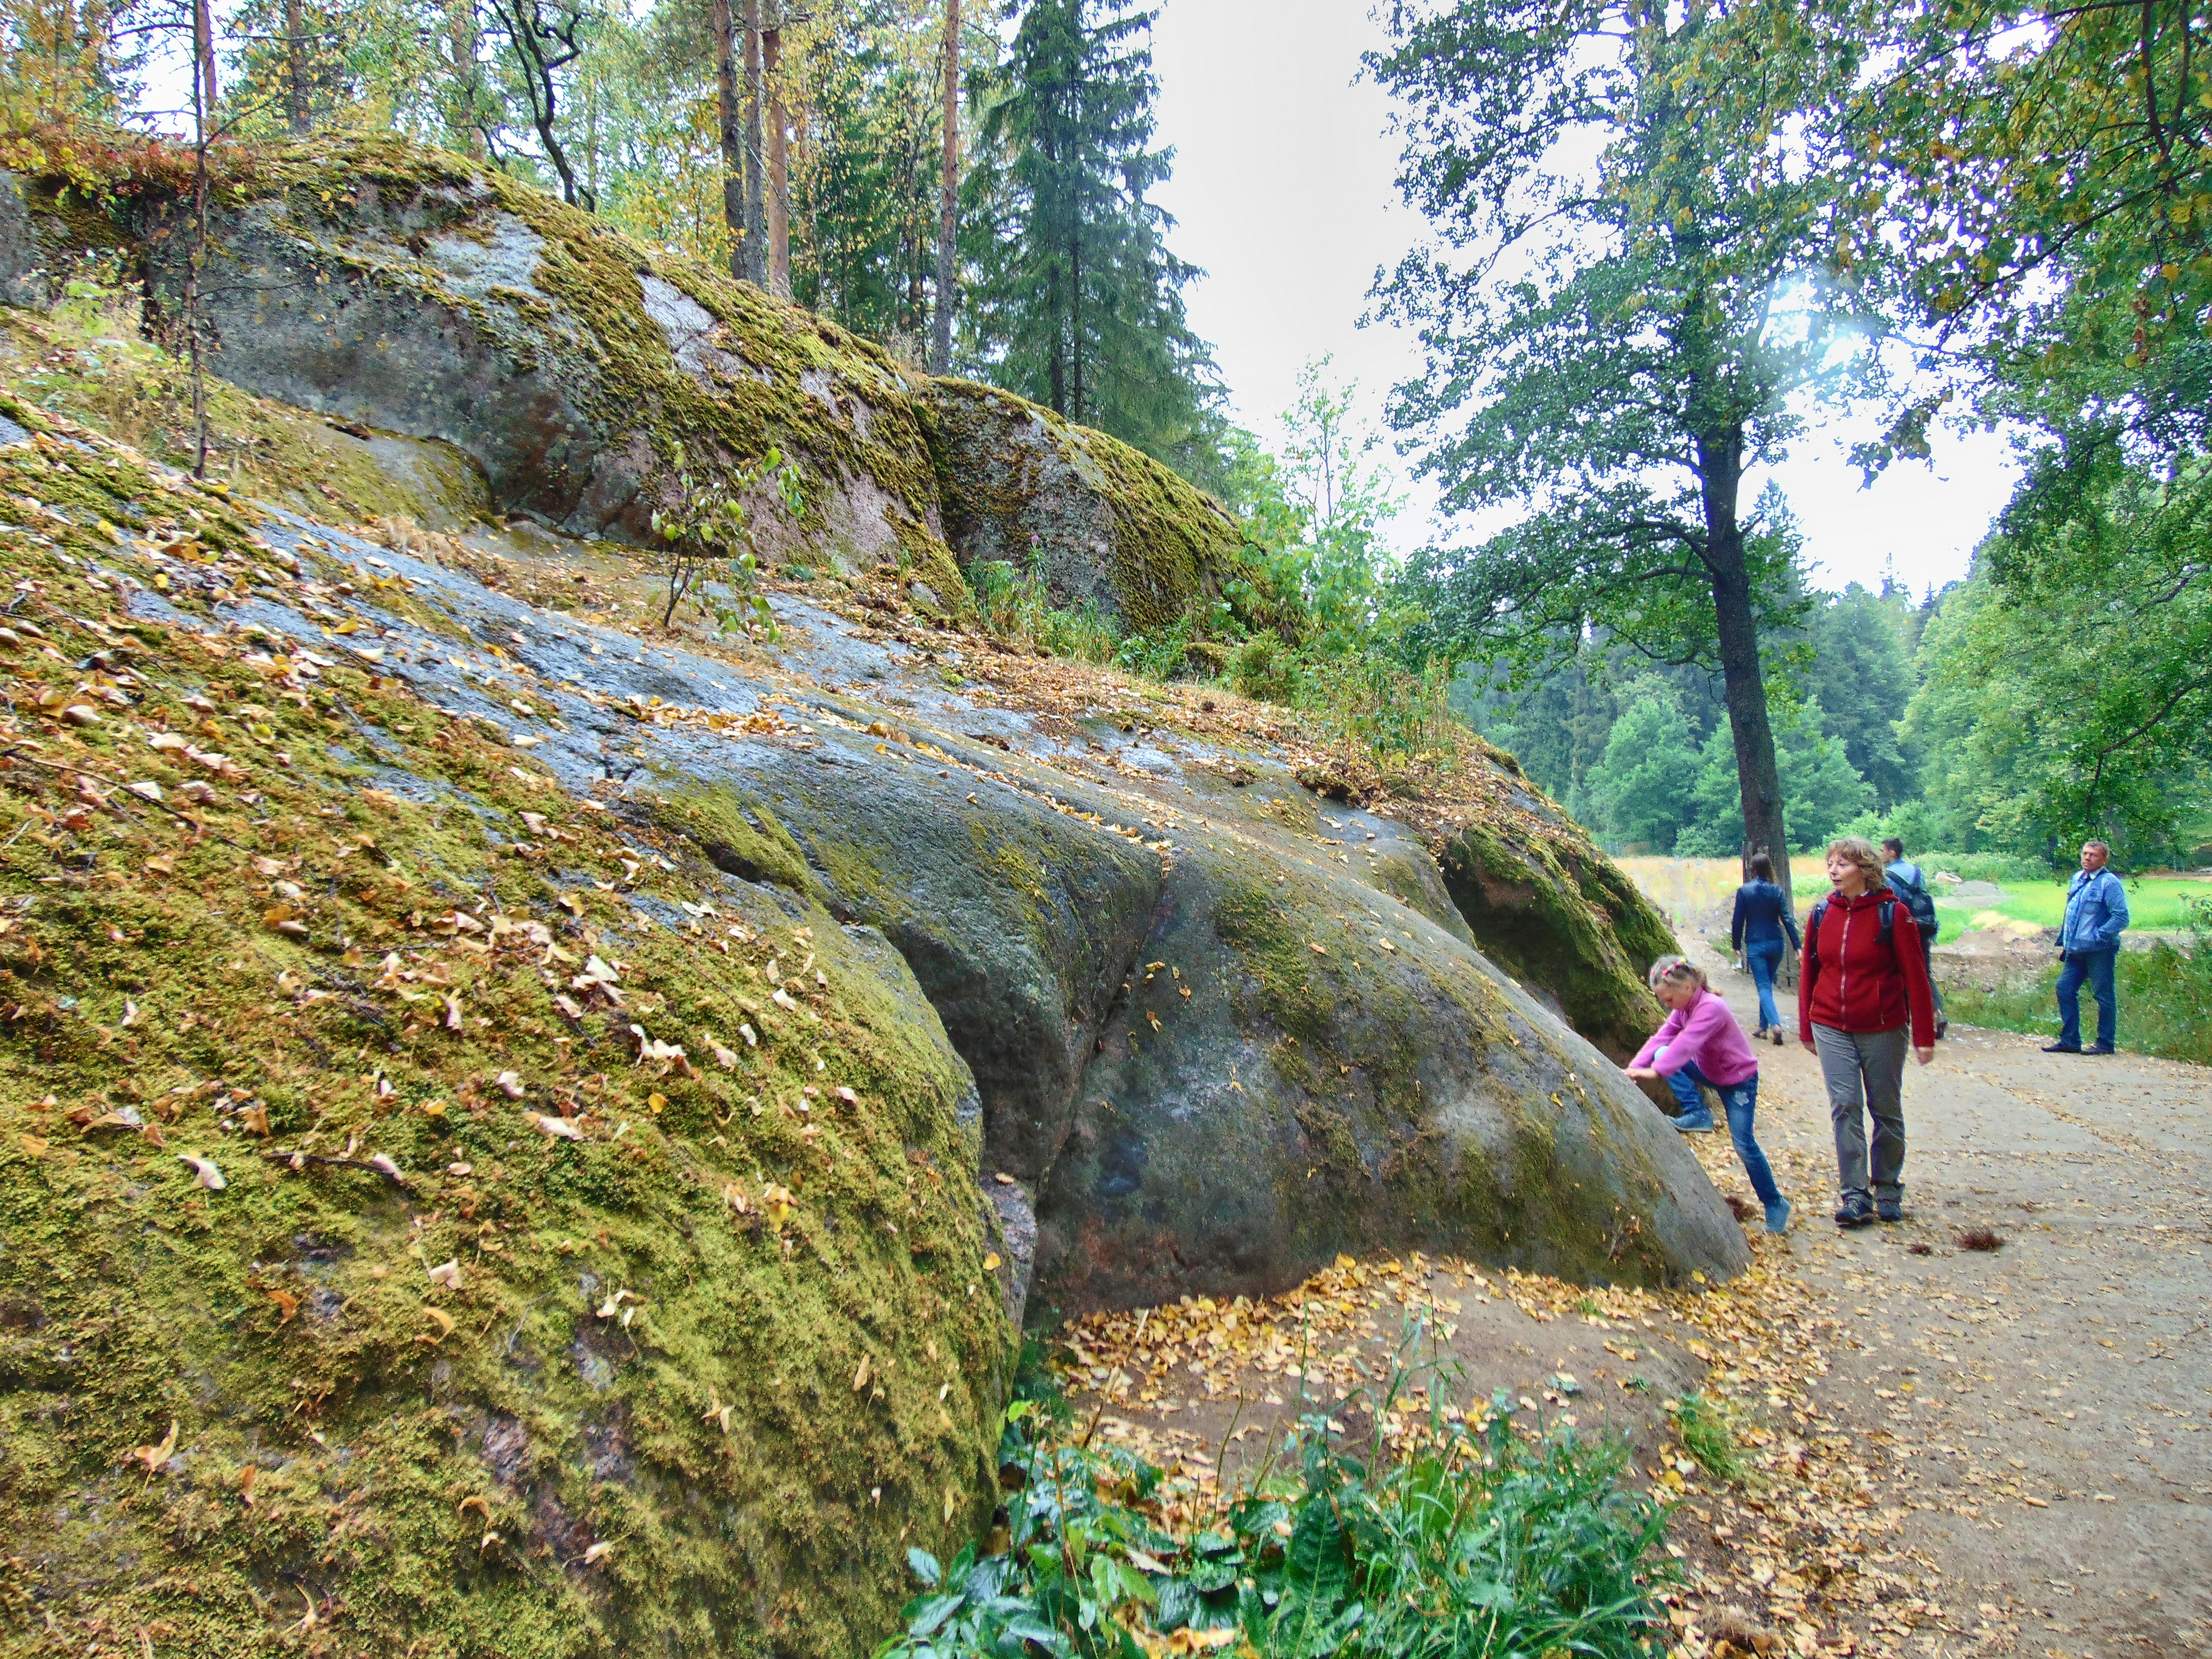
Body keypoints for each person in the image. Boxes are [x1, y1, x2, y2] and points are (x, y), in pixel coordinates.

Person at [1799, 836, 1936, 1228]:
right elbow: (1810, 972)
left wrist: (1924, 1036)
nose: (1833, 871)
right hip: (1831, 1025)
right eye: (1831, 864)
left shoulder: (1895, 914)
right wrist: (1807, 1027)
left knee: (1886, 1109)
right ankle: (1855, 1194)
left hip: (1883, 1026)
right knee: (1845, 1106)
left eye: (1843, 865)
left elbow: (1917, 979)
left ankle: (1888, 1187)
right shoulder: (1822, 913)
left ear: (1865, 870)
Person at [1626, 955, 1792, 1234]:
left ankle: (1775, 1203)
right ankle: (1698, 1113)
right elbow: (1663, 1037)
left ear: (1688, 988)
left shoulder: (1711, 1008)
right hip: (1711, 1074)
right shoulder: (1684, 1008)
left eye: (1668, 999)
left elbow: (1687, 1043)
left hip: (1739, 1082)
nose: (1666, 1005)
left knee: (1744, 1146)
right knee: (1662, 1051)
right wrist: (1634, 1068)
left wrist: (1656, 1072)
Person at [2046, 840, 2130, 1055]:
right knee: (2064, 989)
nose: (2087, 858)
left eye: (2093, 855)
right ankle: (2071, 1041)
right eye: (2085, 854)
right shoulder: (2077, 878)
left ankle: (2105, 1044)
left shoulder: (2109, 883)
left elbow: (2121, 917)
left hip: (2099, 950)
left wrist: (2099, 936)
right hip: (2076, 949)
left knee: (2103, 995)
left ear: (2104, 859)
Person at [1881, 836, 1949, 1041]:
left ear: (1893, 853)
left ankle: (1903, 1020)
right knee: (1924, 972)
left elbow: (1888, 905)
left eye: (1883, 850)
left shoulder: (1887, 876)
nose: (1881, 854)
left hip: (1901, 929)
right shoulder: (1917, 872)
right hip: (1923, 927)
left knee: (1898, 971)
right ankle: (1938, 1014)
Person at [1730, 852, 1800, 1044]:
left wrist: (1736, 944)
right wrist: (1797, 945)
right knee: (1768, 984)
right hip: (1776, 943)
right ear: (1769, 869)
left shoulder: (1744, 891)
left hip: (1755, 944)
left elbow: (1738, 920)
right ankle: (1763, 1027)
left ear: (1752, 870)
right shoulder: (1777, 891)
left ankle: (1776, 1025)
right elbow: (1787, 919)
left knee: (1763, 986)